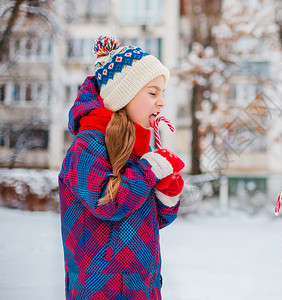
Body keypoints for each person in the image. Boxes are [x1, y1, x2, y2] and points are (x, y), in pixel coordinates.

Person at [59, 36, 185, 300]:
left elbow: (149, 221)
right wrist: (147, 171)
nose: (161, 102)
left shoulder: (137, 149)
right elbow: (107, 203)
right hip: (99, 291)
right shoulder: (87, 146)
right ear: (123, 96)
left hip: (141, 288)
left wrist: (166, 198)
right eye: (153, 93)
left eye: (162, 94)